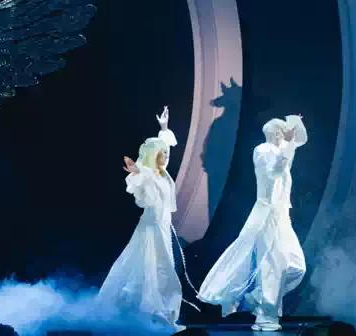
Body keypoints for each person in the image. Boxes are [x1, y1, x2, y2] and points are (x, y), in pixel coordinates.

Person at [198, 114, 308, 331]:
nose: (284, 135)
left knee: (296, 266)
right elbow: (273, 173)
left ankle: (256, 297)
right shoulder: (262, 150)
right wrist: (287, 147)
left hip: (281, 214)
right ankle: (266, 317)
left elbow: (301, 139)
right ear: (273, 133)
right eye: (281, 131)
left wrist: (295, 121)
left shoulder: (283, 150)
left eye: (284, 132)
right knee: (271, 266)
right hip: (266, 214)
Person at [97, 106, 183, 331]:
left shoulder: (162, 172)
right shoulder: (148, 175)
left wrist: (164, 128)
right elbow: (140, 183)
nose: (166, 155)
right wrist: (139, 172)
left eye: (165, 153)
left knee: (157, 270)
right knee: (153, 270)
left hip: (162, 227)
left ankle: (159, 316)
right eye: (162, 153)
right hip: (151, 229)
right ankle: (154, 315)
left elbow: (165, 149)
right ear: (154, 156)